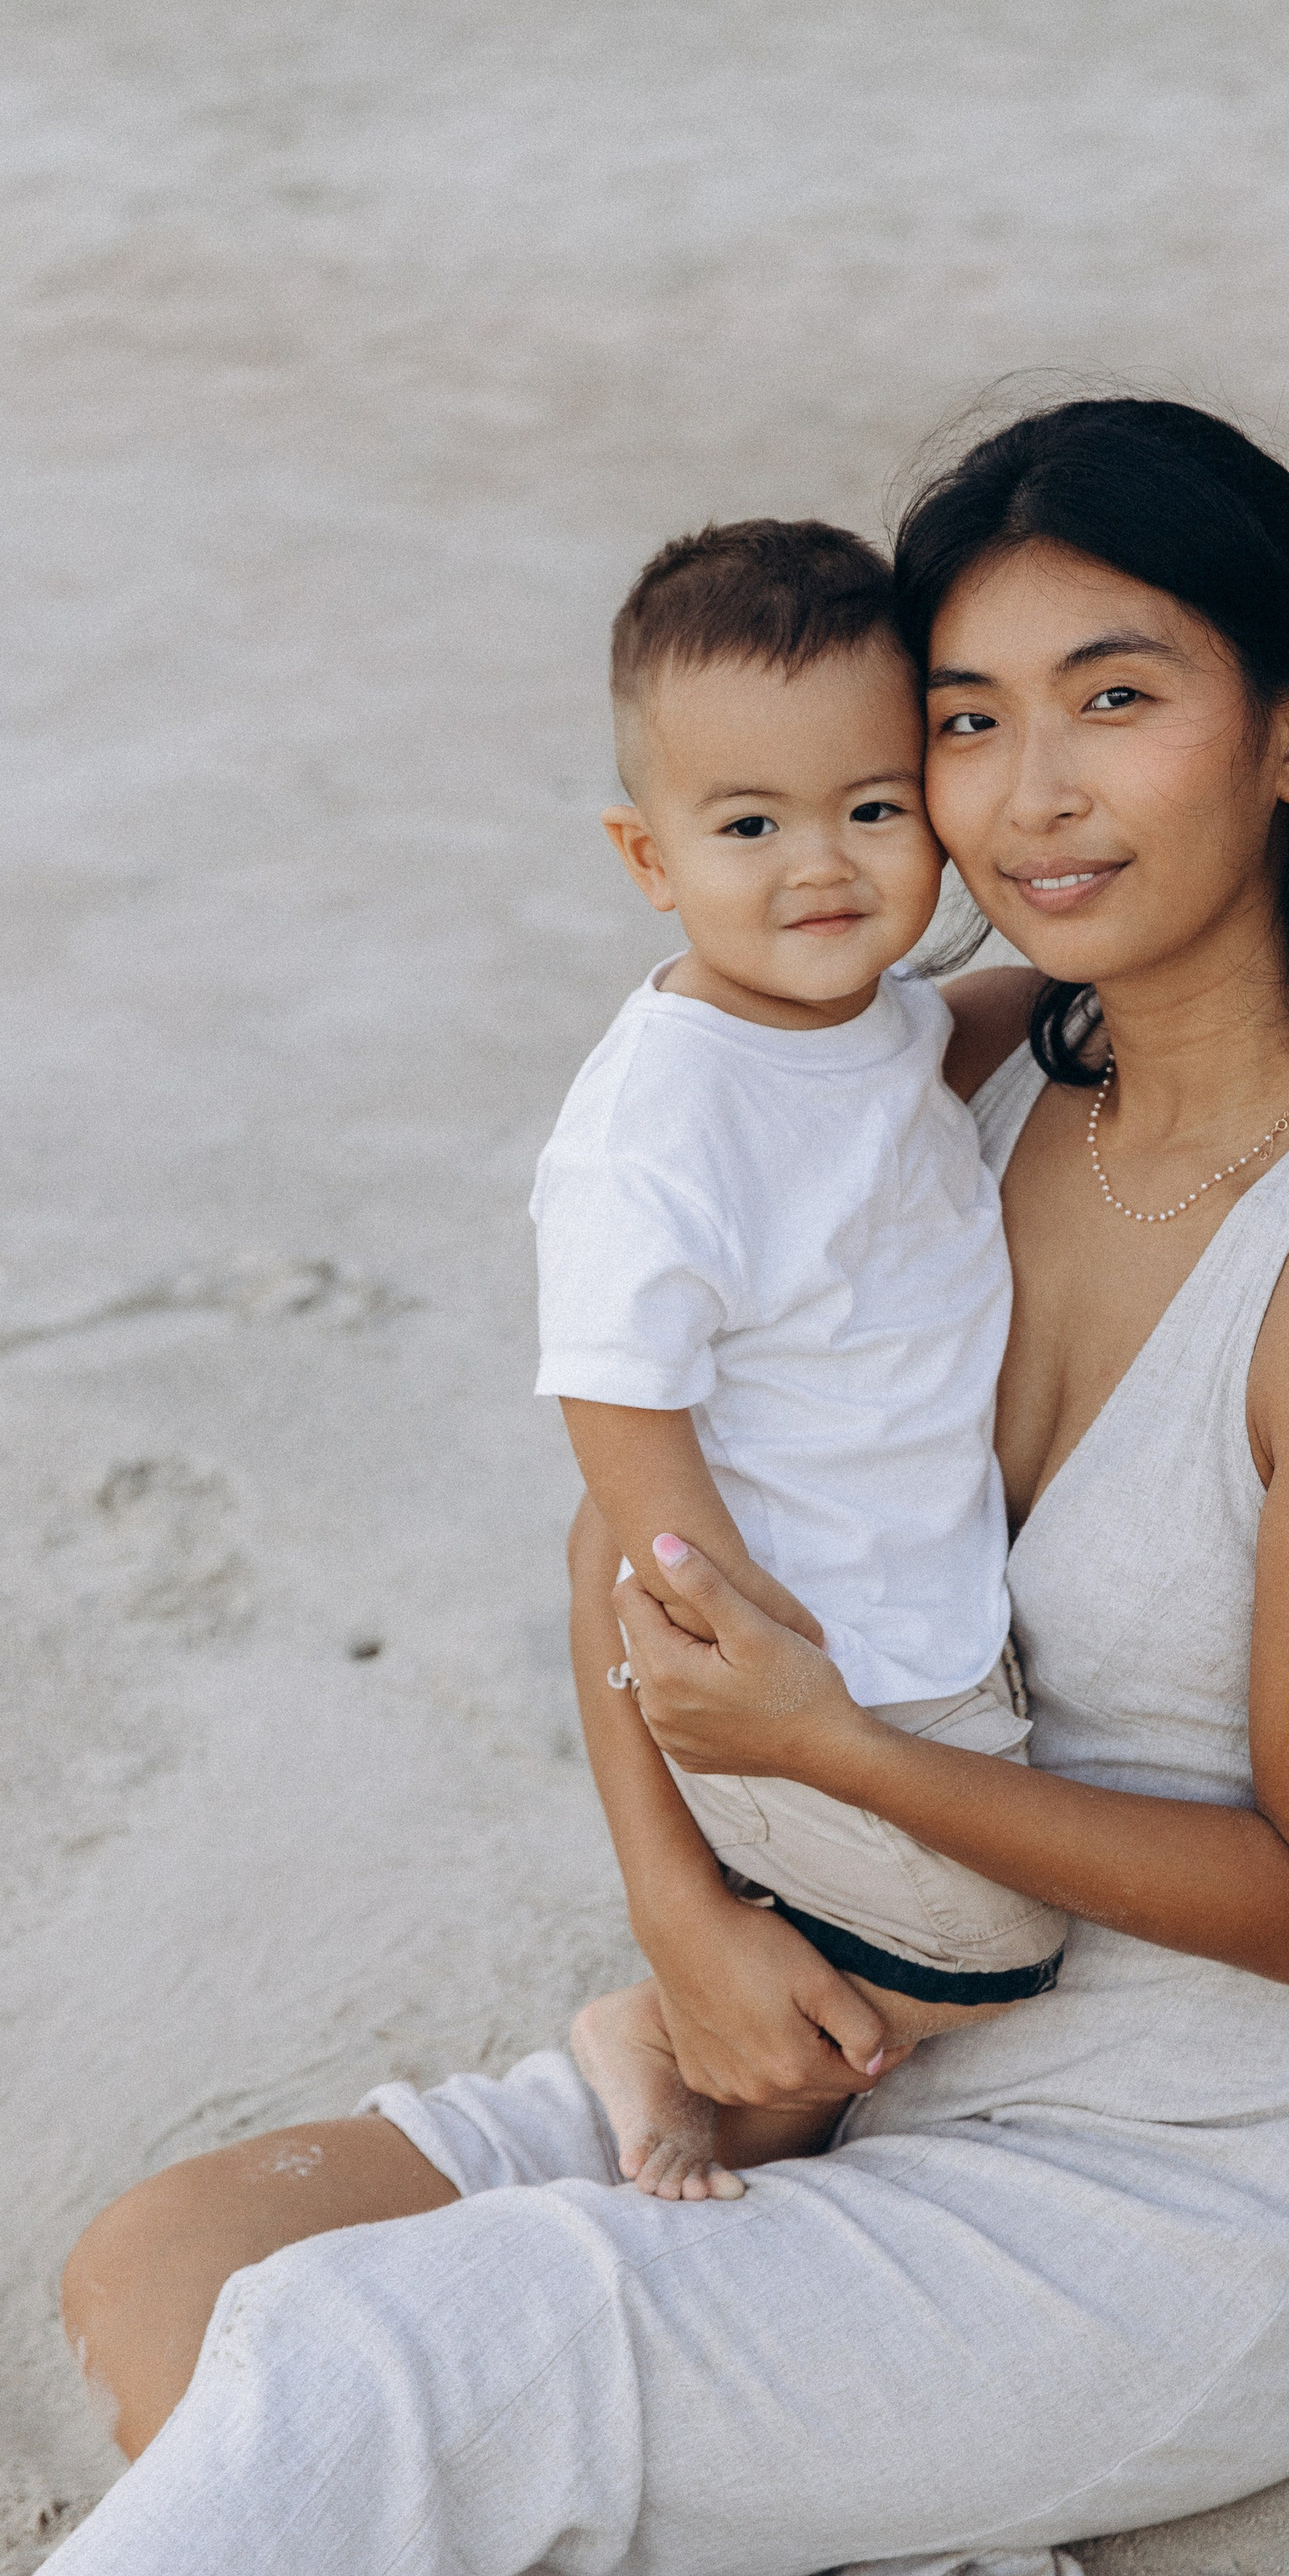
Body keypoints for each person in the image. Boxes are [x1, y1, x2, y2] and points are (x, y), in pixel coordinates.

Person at [0, 397, 1289, 2576]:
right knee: (190, 2250)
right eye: (964, 723)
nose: (1032, 793)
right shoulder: (923, 1075)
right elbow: (629, 1529)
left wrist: (845, 1762)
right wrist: (682, 1905)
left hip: (1177, 2196)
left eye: (1120, 693)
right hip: (832, 2021)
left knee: (374, 2358)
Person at [540, 514, 1064, 2206]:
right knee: (989, 1936)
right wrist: (727, 1641)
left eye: (870, 808)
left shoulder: (865, 1018)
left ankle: (698, 2076)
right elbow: (615, 1402)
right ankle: (684, 2078)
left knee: (917, 1941)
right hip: (792, 1657)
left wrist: (1090, 955)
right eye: (747, 824)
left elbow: (946, 1030)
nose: (817, 866)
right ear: (647, 857)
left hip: (921, 1625)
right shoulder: (660, 1119)